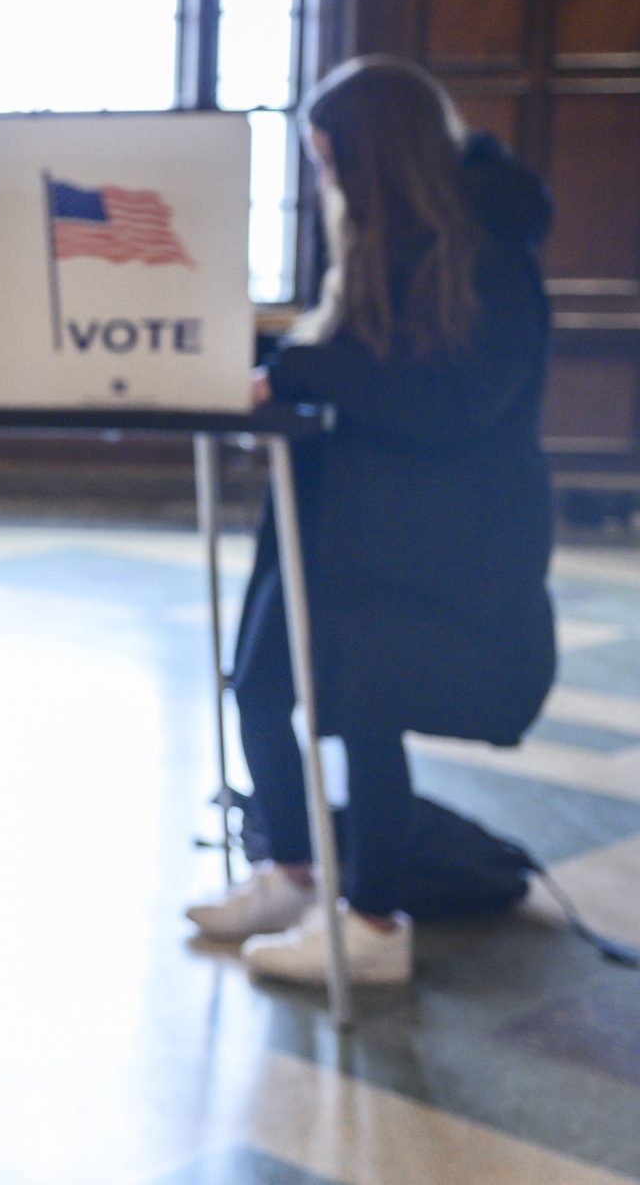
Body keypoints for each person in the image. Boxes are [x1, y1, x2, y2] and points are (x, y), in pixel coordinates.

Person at [184, 57, 557, 988]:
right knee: (259, 685)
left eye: (332, 161)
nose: (328, 184)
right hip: (331, 515)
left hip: (432, 541)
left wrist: (304, 374)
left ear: (376, 155)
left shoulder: (490, 251)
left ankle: (377, 924)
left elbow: (453, 402)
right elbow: (352, 358)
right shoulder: (377, 241)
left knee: (367, 713)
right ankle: (292, 873)